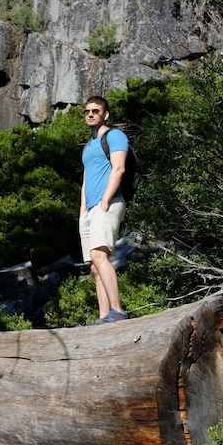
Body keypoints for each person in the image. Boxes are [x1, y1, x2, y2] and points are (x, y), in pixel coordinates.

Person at [79, 95, 129, 324]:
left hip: (107, 203)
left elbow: (119, 169)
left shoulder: (115, 136)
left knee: (100, 256)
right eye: (87, 111)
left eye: (95, 111)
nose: (90, 114)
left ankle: (117, 311)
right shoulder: (88, 146)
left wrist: (105, 201)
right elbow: (86, 179)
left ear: (105, 115)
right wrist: (82, 211)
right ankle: (103, 316)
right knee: (95, 266)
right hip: (89, 210)